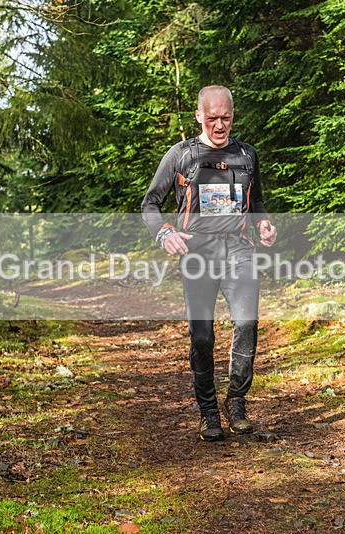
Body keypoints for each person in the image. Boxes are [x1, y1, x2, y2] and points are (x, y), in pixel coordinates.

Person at [141, 85, 277, 441]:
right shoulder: (180, 155)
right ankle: (208, 413)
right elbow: (150, 204)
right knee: (202, 337)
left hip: (239, 251)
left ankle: (236, 403)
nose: (220, 126)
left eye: (226, 118)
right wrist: (164, 234)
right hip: (197, 254)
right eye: (213, 118)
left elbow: (257, 199)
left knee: (246, 324)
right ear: (199, 116)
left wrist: (262, 223)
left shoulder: (246, 154)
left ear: (234, 115)